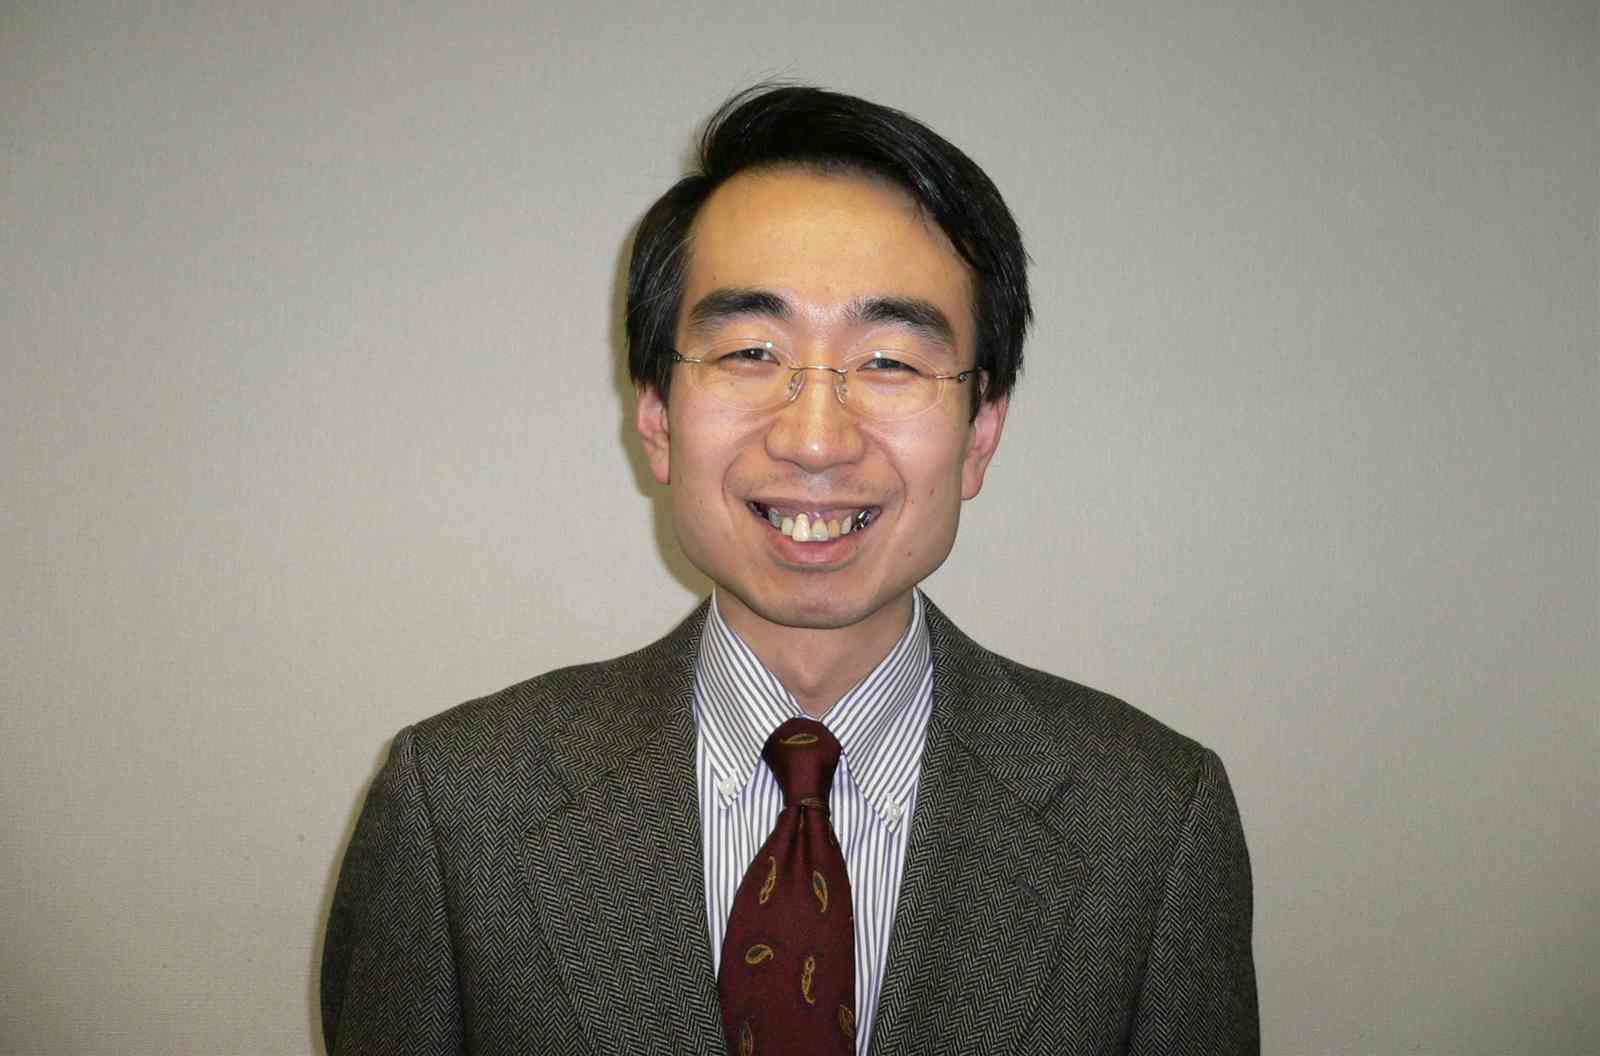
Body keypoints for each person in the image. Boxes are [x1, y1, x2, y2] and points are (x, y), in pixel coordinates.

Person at [320, 85, 1258, 1055]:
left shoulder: (1152, 821)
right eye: (751, 352)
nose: (815, 439)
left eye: (890, 362)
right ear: (656, 417)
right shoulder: (457, 807)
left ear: (981, 433)